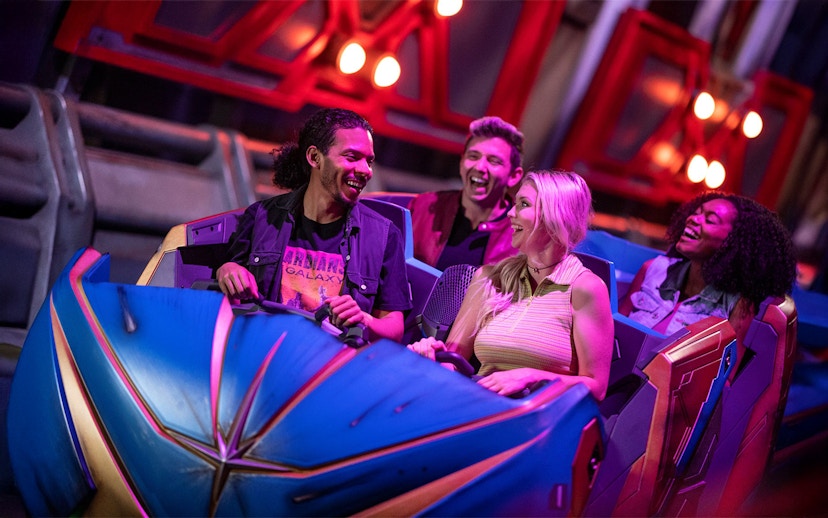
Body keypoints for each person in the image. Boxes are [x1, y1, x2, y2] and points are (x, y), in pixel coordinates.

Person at [408, 170, 614, 400]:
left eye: (523, 204)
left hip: (538, 419)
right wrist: (432, 355)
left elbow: (596, 387)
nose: (510, 213)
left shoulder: (585, 288)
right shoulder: (488, 277)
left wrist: (529, 376)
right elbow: (454, 363)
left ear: (555, 215)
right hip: (477, 405)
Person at [217, 108, 412, 342]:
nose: (365, 170)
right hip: (263, 351)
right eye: (352, 157)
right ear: (314, 157)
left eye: (369, 161)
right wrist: (226, 269)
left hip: (333, 367)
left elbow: (395, 328)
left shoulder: (384, 235)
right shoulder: (261, 217)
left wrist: (364, 320)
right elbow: (229, 281)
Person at [618, 192, 796, 339]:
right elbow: (615, 330)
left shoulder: (738, 304)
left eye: (710, 220)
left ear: (734, 242)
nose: (693, 220)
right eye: (696, 213)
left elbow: (727, 374)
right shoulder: (653, 269)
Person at [408, 116, 525, 270]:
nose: (479, 167)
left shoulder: (524, 234)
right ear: (462, 162)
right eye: (473, 156)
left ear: (513, 176)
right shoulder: (424, 207)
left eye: (494, 161)